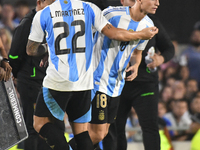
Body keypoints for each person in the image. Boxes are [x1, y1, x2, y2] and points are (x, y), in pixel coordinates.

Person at [26, 0, 158, 149]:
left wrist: (49, 49)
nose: (158, 3)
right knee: (84, 133)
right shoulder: (91, 8)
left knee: (40, 123)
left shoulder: (44, 13)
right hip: (87, 83)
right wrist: (141, 34)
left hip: (59, 81)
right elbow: (112, 33)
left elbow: (31, 49)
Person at [102, 0, 175, 149]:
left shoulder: (150, 22)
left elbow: (168, 48)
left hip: (145, 83)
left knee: (150, 125)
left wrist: (160, 58)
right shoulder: (112, 17)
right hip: (118, 81)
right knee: (114, 127)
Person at [8, 0, 62, 150]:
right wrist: (14, 74)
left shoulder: (53, 21)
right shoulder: (28, 23)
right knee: (32, 128)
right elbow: (14, 54)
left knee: (53, 124)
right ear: (40, 2)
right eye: (51, 4)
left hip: (49, 82)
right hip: (32, 82)